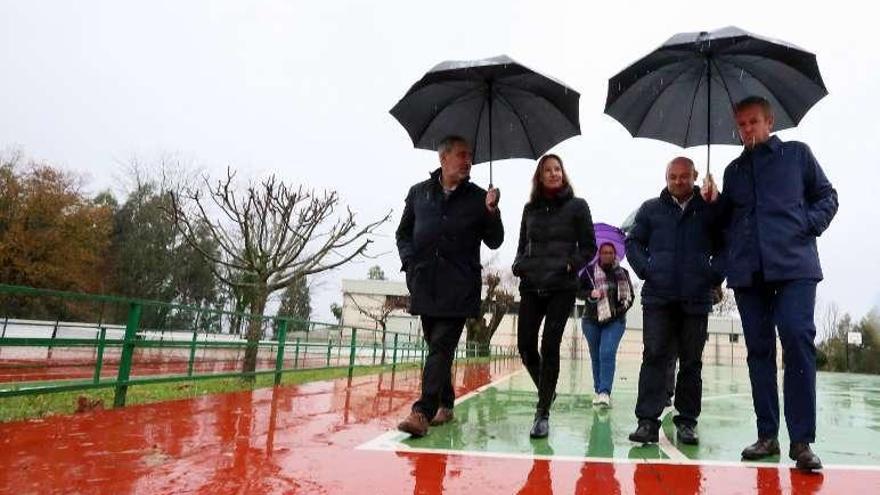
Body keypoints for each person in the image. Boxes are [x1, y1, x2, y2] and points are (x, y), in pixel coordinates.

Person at [703, 96, 838, 471]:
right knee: (758, 352)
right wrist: (713, 203)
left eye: (753, 122)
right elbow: (722, 227)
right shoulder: (732, 172)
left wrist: (806, 225)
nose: (747, 130)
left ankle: (801, 441)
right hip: (748, 274)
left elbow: (828, 196)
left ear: (769, 121)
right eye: (742, 124)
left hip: (795, 267)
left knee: (796, 339)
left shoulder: (797, 155)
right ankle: (767, 436)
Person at [395, 135, 503, 437]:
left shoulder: (479, 197)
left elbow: (495, 240)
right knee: (436, 347)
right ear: (443, 159)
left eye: (470, 156)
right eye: (461, 155)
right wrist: (409, 263)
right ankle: (446, 402)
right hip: (425, 282)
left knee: (442, 345)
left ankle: (422, 412)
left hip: (460, 285)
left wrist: (492, 211)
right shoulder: (419, 194)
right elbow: (403, 234)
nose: (467, 161)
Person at [625, 156, 723, 446]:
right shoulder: (651, 209)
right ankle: (647, 421)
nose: (678, 181)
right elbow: (633, 242)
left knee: (692, 362)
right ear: (666, 178)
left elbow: (727, 241)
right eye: (672, 176)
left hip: (696, 298)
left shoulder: (709, 209)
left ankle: (687, 421)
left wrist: (714, 273)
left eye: (684, 176)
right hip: (658, 297)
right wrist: (646, 268)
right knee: (654, 357)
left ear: (694, 176)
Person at [512, 154, 595, 438]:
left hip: (562, 285)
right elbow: (523, 243)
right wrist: (518, 264)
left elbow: (589, 247)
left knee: (550, 345)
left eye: (557, 169)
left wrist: (571, 263)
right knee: (525, 347)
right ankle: (548, 390)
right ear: (540, 176)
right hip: (532, 284)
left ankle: (542, 412)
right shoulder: (529, 209)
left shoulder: (577, 207)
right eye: (547, 170)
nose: (553, 173)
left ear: (563, 173)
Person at [579, 242, 634, 407]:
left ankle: (605, 392)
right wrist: (590, 293)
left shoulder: (622, 273)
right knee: (596, 356)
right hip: (591, 320)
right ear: (599, 254)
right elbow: (578, 291)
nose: (607, 255)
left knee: (607, 352)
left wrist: (615, 311)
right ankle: (598, 390)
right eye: (604, 252)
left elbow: (629, 298)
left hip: (615, 321)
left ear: (615, 254)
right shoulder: (588, 272)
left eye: (610, 252)